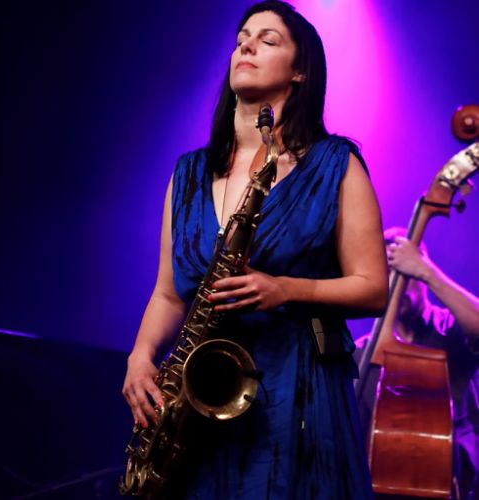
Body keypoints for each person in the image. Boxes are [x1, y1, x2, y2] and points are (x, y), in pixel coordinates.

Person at [122, 1, 388, 498]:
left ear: (301, 71)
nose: (246, 46)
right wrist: (140, 357)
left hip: (297, 390)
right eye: (242, 37)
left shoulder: (336, 163)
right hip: (199, 406)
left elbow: (373, 288)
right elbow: (169, 294)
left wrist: (285, 288)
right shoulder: (188, 172)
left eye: (268, 40)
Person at [355, 226, 479, 499]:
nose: (395, 284)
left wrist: (426, 270)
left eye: (404, 274)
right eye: (386, 274)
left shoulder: (450, 327)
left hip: (453, 484)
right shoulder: (361, 353)